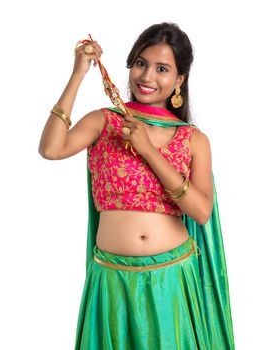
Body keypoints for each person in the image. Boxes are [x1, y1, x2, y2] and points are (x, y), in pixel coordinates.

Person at [39, 22, 235, 350]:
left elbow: (201, 212)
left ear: (179, 80)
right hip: (112, 279)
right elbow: (51, 149)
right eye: (141, 64)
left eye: (162, 69)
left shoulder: (194, 139)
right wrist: (78, 74)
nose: (147, 77)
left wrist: (148, 150)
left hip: (170, 280)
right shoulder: (104, 121)